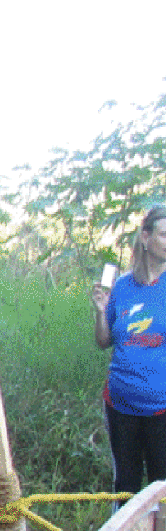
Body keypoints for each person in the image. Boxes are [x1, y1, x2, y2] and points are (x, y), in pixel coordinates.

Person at [91, 204, 166, 494]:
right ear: (145, 238)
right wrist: (100, 311)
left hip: (161, 408)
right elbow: (103, 341)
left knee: (161, 489)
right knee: (126, 486)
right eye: (163, 234)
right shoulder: (121, 287)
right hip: (121, 405)